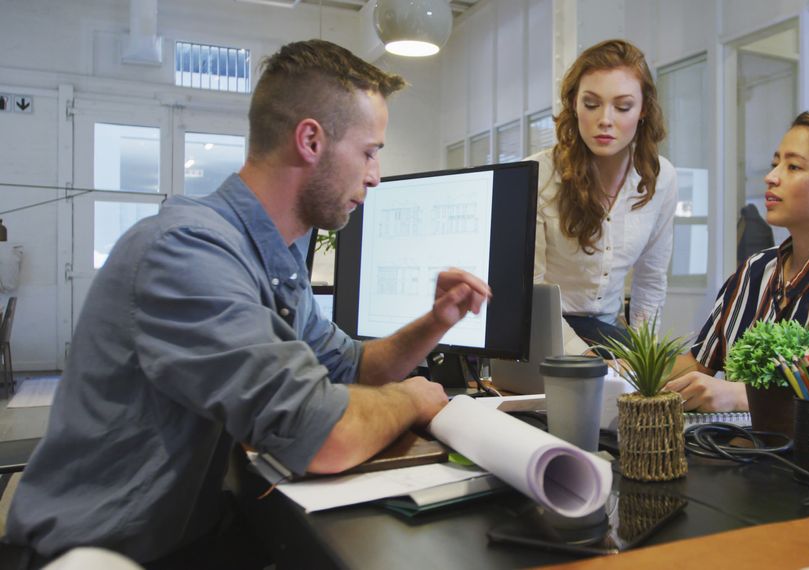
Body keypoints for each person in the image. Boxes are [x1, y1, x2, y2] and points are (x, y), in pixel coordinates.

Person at [5, 40, 491, 567]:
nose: (374, 175)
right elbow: (324, 434)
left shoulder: (269, 255)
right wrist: (413, 400)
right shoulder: (187, 251)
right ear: (310, 140)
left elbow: (351, 366)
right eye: (370, 151)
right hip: (109, 555)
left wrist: (435, 321)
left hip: (188, 533)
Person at [665, 111, 809, 412]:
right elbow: (698, 365)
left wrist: (741, 396)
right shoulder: (756, 270)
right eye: (774, 164)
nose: (771, 177)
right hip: (739, 453)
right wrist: (619, 367)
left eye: (793, 166)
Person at [530, 39, 678, 356]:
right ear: (573, 103)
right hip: (542, 333)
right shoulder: (538, 174)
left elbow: (650, 282)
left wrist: (641, 358)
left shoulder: (661, 178)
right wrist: (582, 356)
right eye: (592, 104)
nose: (605, 120)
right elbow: (531, 289)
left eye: (622, 107)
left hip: (609, 336)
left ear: (643, 111)